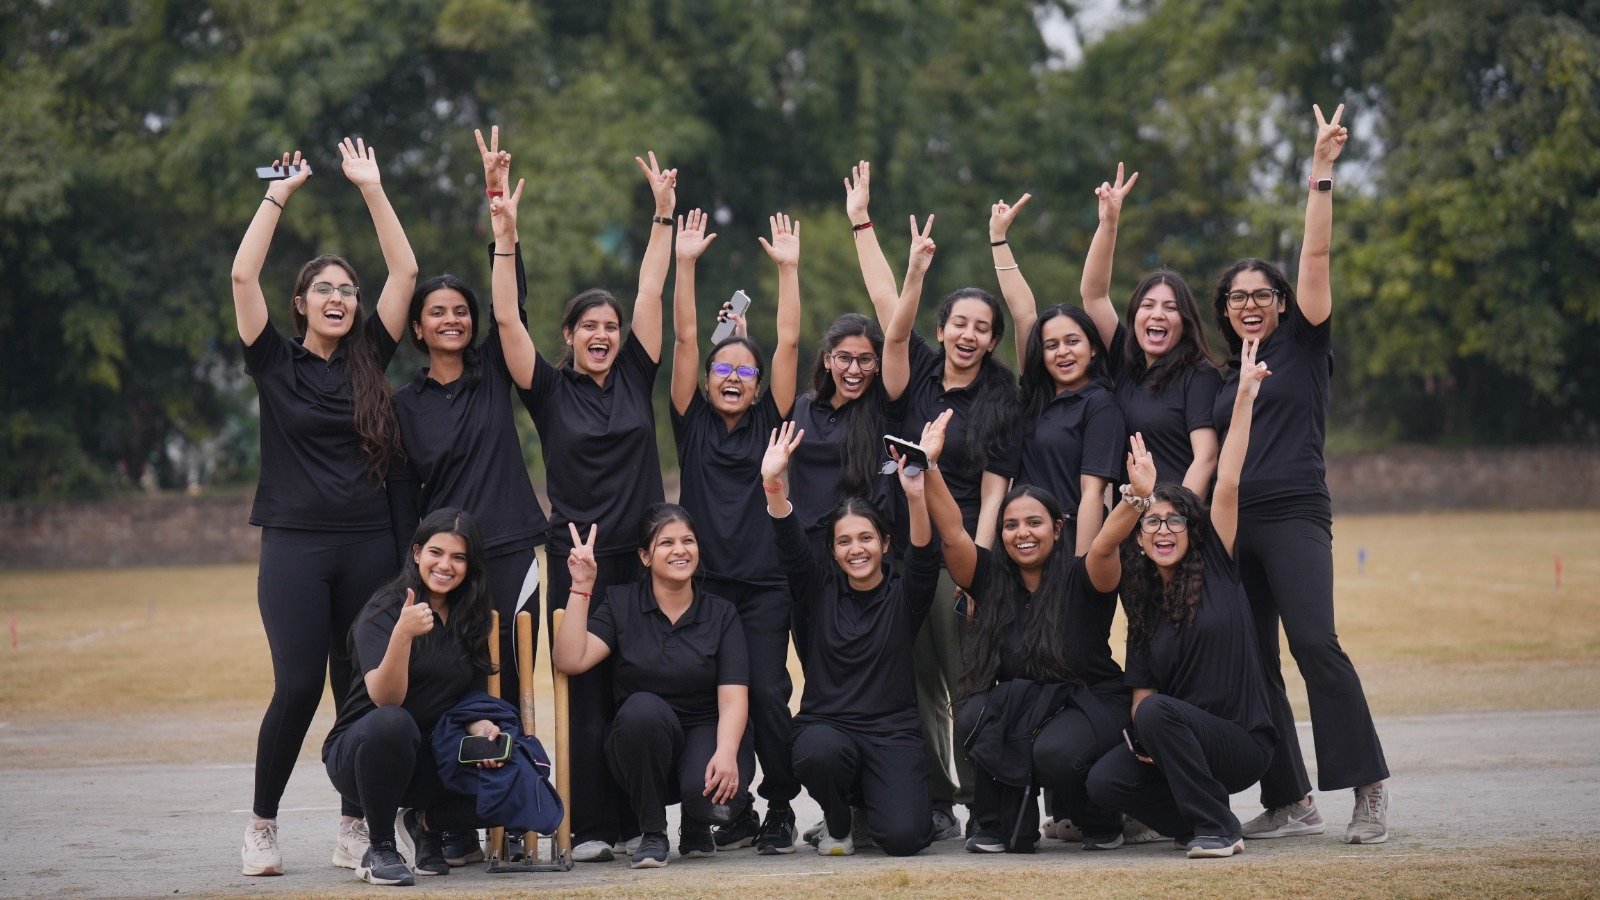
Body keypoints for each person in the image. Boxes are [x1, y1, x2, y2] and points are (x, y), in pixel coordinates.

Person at [230, 140, 417, 875]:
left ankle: (355, 825)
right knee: (300, 685)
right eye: (324, 289)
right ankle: (261, 825)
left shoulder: (371, 357)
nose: (338, 298)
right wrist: (279, 194)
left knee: (359, 688)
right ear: (301, 303)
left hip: (368, 545)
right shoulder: (273, 362)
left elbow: (405, 272)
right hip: (295, 547)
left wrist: (371, 188)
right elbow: (243, 274)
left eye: (348, 289)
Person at [1209, 104, 1389, 843]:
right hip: (1233, 525)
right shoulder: (1223, 375)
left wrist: (1321, 171)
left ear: (1282, 305)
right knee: (1253, 662)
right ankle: (1288, 797)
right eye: (1238, 297)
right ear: (1225, 311)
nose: (1250, 305)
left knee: (1315, 644)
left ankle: (1369, 789)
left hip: (1293, 514)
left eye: (1262, 295)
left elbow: (1315, 255)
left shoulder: (1304, 346)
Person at [502, 151, 677, 861]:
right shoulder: (547, 391)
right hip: (576, 561)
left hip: (643, 561)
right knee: (581, 689)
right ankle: (591, 827)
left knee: (640, 688)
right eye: (588, 326)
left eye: (610, 325)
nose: (602, 334)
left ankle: (643, 822)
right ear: (569, 336)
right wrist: (505, 234)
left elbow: (651, 289)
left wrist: (662, 215)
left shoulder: (636, 374)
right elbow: (506, 318)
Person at [387, 129, 551, 866]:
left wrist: (501, 219)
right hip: (444, 569)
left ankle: (507, 814)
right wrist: (412, 575)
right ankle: (444, 818)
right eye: (437, 312)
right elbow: (402, 502)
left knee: (508, 686)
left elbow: (512, 303)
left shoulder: (493, 372)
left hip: (512, 547)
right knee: (449, 690)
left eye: (460, 310)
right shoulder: (404, 405)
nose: (452, 319)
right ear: (418, 328)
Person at [850, 162, 1021, 839]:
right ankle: (939, 798)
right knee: (915, 681)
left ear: (993, 340)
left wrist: (979, 570)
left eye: (982, 327)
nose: (968, 335)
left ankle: (983, 798)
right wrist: (866, 225)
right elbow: (888, 309)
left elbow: (996, 490)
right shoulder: (916, 369)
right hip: (901, 551)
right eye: (959, 323)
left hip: (958, 553)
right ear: (943, 328)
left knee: (967, 677)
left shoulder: (1001, 398)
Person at [1084, 343, 1280, 859]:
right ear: (1140, 537)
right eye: (1152, 522)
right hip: (1174, 741)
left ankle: (1219, 830)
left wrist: (1244, 399)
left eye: (1175, 521)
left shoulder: (1217, 566)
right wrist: (1146, 742)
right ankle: (1202, 820)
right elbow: (1142, 697)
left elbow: (1228, 479)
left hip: (1240, 744)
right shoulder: (1144, 606)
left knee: (1155, 715)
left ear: (1192, 530)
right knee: (1105, 781)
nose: (1164, 530)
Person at [908, 409, 1129, 854]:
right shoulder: (991, 577)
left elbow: (1106, 544)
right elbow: (952, 533)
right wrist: (929, 466)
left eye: (1034, 523)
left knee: (1053, 751)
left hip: (1091, 701)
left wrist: (1135, 499)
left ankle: (1100, 819)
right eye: (1011, 525)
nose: (1022, 534)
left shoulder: (1082, 576)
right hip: (1025, 703)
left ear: (1058, 529)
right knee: (975, 716)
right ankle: (1005, 825)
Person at [668, 210, 803, 853]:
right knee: (712, 699)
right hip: (705, 590)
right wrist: (685, 264)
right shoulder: (691, 423)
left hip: (765, 587)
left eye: (745, 372)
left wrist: (788, 272)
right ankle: (729, 808)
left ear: (758, 387)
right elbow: (686, 340)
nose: (731, 377)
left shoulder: (771, 421)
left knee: (769, 693)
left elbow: (790, 345)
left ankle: (779, 806)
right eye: (722, 370)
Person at [762, 421, 937, 858]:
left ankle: (871, 807)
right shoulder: (818, 591)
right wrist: (773, 484)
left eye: (865, 538)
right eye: (844, 541)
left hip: (891, 734)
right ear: (833, 551)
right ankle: (837, 821)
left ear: (885, 543)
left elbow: (923, 556)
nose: (855, 549)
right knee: (817, 753)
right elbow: (790, 544)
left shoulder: (904, 596)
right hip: (829, 730)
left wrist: (916, 494)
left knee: (904, 838)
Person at [552, 509, 755, 869]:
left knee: (711, 801)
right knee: (641, 710)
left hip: (709, 732)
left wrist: (727, 752)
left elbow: (734, 697)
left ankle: (697, 821)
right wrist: (582, 585)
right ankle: (652, 831)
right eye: (667, 543)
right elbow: (570, 659)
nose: (680, 550)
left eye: (688, 541)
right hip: (641, 742)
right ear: (645, 556)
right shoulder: (621, 603)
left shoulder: (721, 612)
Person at [322, 508, 501, 886]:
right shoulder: (385, 609)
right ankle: (380, 849)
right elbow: (386, 697)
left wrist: (479, 724)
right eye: (436, 552)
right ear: (417, 552)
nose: (446, 565)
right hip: (362, 754)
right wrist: (403, 634)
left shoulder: (470, 615)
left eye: (458, 557)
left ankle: (424, 824)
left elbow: (467, 696)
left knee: (516, 777)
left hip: (428, 756)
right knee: (394, 721)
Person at [782, 162, 916, 559]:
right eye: (844, 358)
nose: (854, 370)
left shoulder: (886, 407)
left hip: (865, 558)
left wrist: (861, 221)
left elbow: (893, 318)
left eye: (865, 360)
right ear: (827, 360)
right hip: (807, 557)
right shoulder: (801, 409)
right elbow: (786, 345)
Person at [1077, 164, 1223, 500]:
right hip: (1130, 519)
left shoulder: (1199, 375)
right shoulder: (1126, 364)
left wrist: (1175, 517)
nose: (1157, 314)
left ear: (1185, 321)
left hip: (1175, 519)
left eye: (1170, 308)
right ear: (1135, 315)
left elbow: (1206, 457)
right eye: (1148, 305)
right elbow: (1093, 294)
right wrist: (1109, 223)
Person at [990, 199, 1125, 557]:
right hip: (1022, 544)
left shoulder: (1100, 404)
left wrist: (1082, 566)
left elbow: (1093, 494)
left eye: (1072, 342)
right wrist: (998, 239)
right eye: (1051, 345)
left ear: (1093, 349)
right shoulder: (1036, 395)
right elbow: (1023, 313)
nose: (1062, 352)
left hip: (1068, 545)